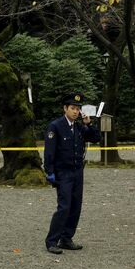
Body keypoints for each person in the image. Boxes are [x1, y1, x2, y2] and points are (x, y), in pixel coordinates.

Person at [44, 93, 101, 254]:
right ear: (65, 109)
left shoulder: (79, 126)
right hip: (63, 172)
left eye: (78, 109)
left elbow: (96, 138)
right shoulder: (56, 126)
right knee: (64, 206)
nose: (76, 111)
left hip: (77, 172)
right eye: (73, 108)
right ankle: (52, 241)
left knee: (76, 206)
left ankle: (66, 238)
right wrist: (49, 172)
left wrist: (89, 124)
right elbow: (49, 152)